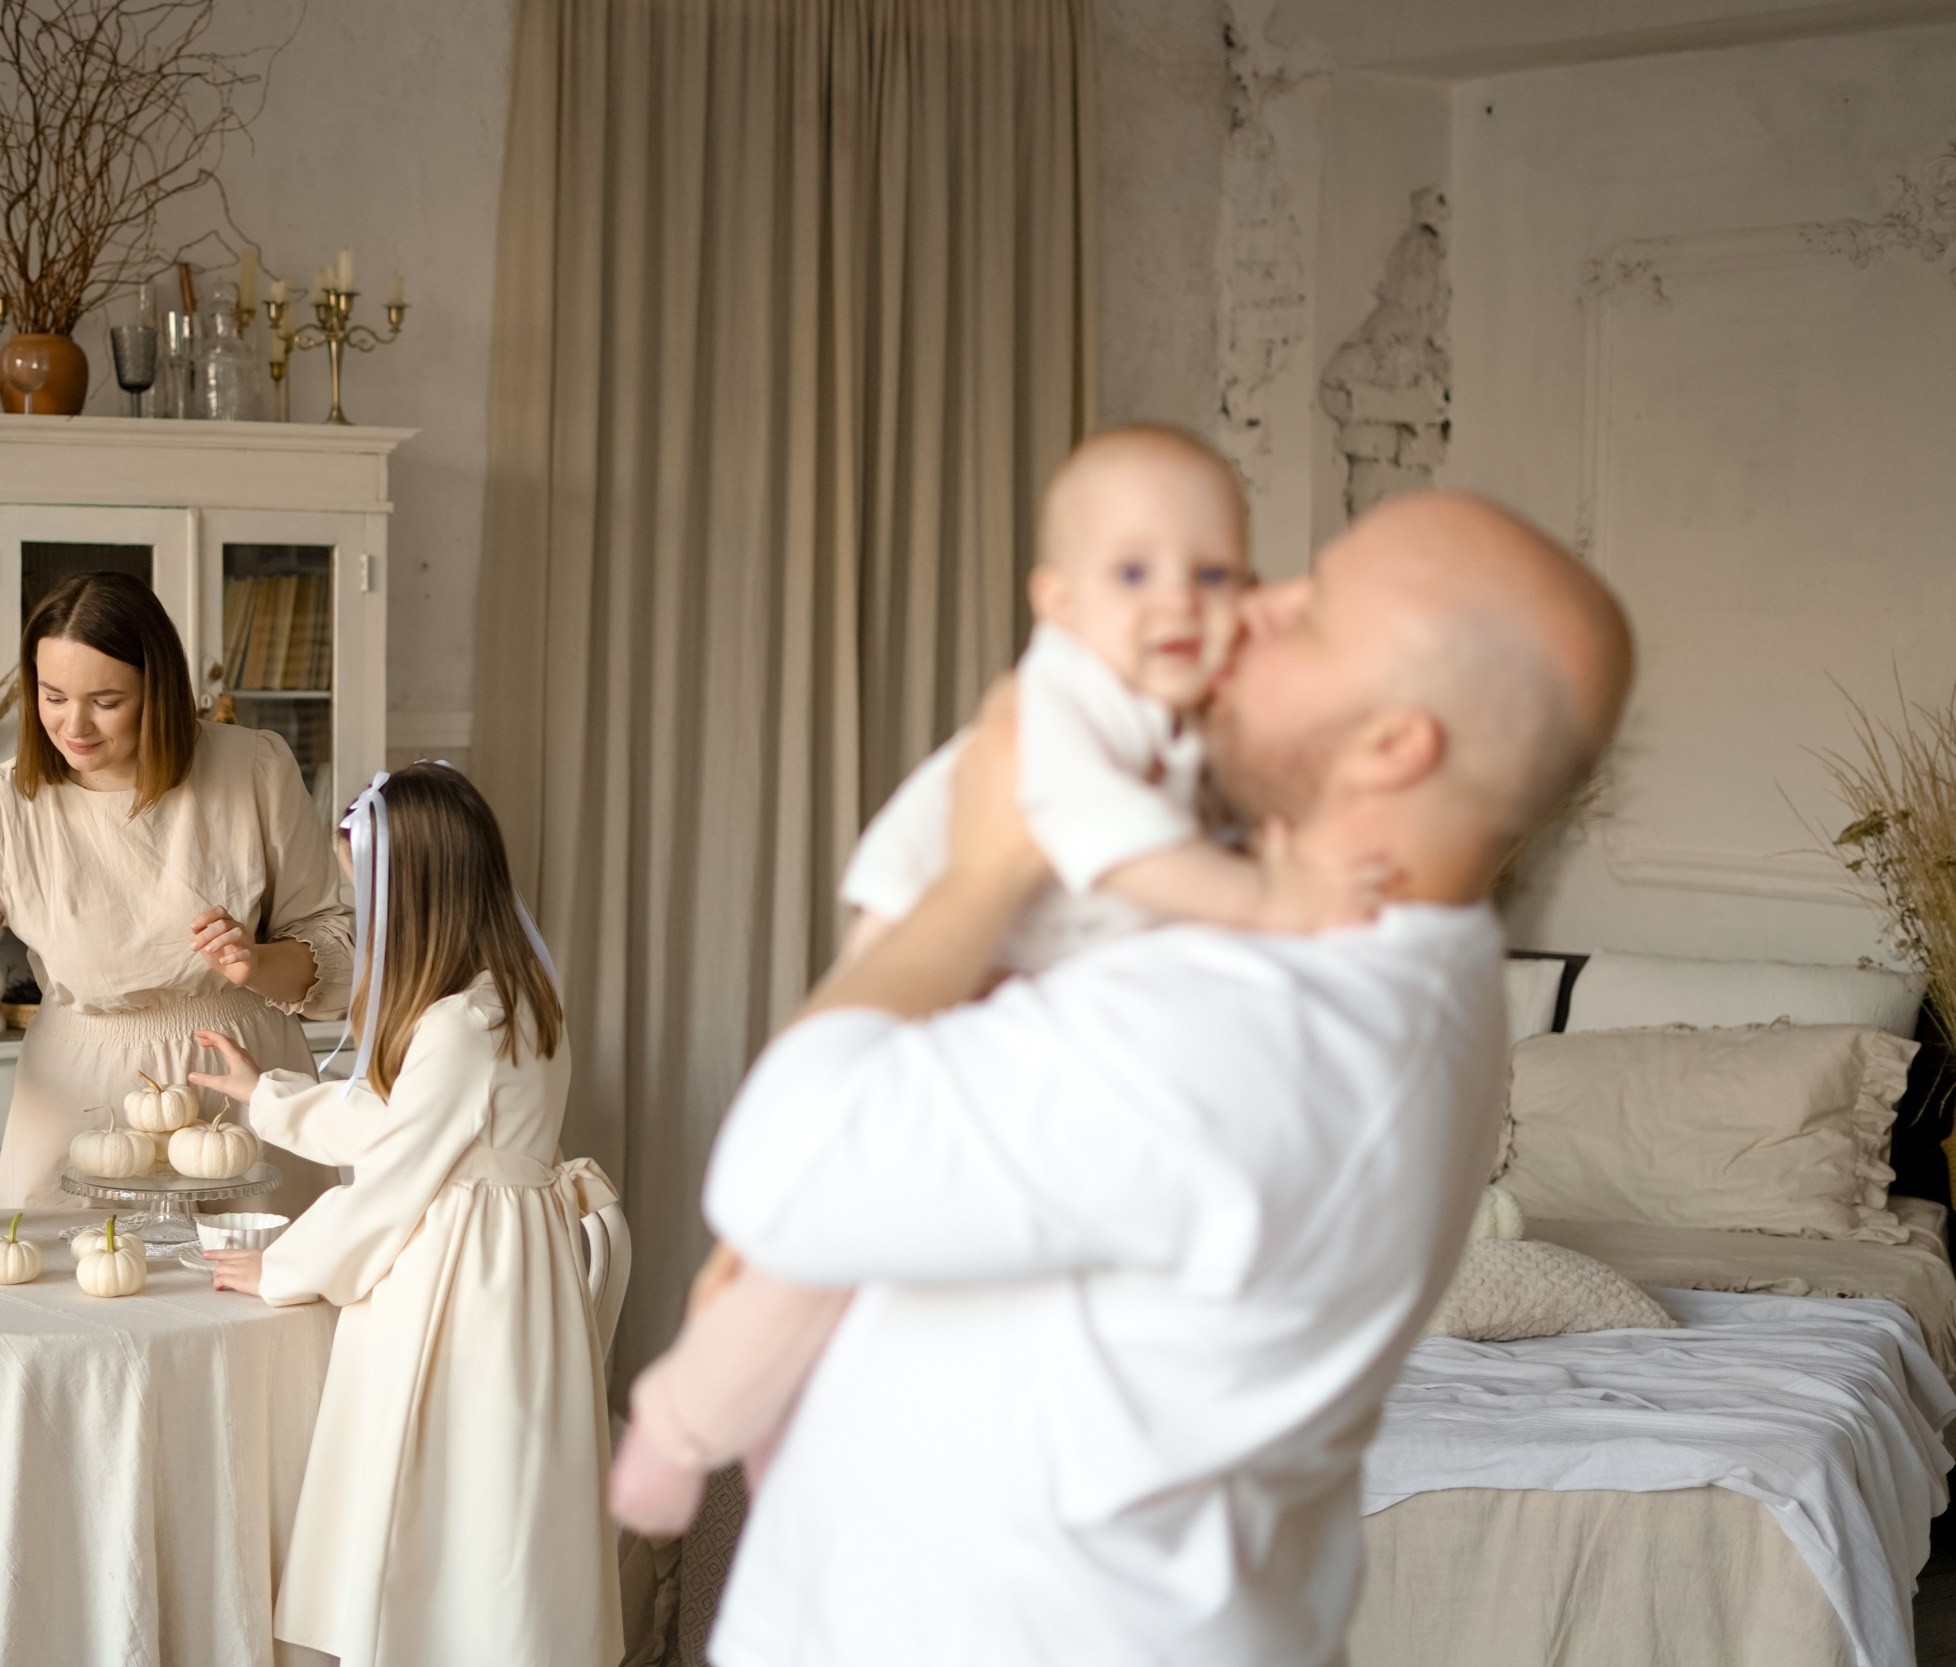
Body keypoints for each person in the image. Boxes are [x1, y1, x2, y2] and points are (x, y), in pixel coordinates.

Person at [695, 492, 1633, 1667]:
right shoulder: (1408, 955)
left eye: (1310, 612)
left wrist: (973, 882)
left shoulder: (1250, 1032)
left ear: (1391, 741)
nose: (1249, 605)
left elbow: (778, 1169)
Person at [613, 424, 1370, 1534]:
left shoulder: (1186, 702)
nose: (1179, 602)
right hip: (927, 941)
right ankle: (678, 1422)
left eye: (1214, 574)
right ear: (1055, 601)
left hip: (1028, 959)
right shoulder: (1059, 695)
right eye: (1133, 572)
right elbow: (1103, 840)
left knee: (900, 1233)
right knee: (815, 1210)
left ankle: (800, 1423)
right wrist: (1275, 900)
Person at [190, 763, 621, 1667]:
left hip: (463, 1287)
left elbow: (392, 1180)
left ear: (418, 897)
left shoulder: (462, 1026)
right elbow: (405, 1124)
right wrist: (265, 1093)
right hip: (521, 1273)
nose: (367, 928)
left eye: (370, 903)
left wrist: (286, 1266)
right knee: (500, 1517)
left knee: (438, 1497)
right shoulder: (518, 1002)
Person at [0, 571, 354, 1216]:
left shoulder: (253, 770)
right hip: (83, 1099)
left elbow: (332, 933)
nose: (73, 726)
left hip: (243, 1084)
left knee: (257, 1304)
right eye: (52, 696)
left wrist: (258, 963)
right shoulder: (2, 806)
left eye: (105, 701)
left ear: (158, 692)